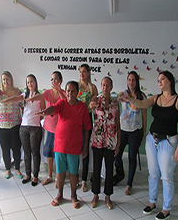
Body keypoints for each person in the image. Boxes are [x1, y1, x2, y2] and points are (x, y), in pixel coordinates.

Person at [118, 70, 178, 220]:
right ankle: (152, 202)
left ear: (170, 81)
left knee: (167, 176)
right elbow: (141, 104)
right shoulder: (156, 98)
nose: (160, 82)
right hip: (152, 140)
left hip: (168, 142)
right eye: (158, 80)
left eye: (163, 79)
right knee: (153, 173)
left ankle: (166, 208)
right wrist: (130, 99)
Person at [35, 81, 92, 209]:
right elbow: (53, 109)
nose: (70, 93)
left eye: (73, 91)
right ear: (65, 92)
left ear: (78, 93)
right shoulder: (62, 103)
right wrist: (44, 112)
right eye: (68, 91)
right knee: (60, 172)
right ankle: (60, 194)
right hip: (60, 144)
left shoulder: (82, 107)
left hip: (74, 146)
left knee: (73, 173)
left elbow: (87, 128)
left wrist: (85, 147)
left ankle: (73, 196)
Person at [1, 74, 45, 186]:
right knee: (26, 152)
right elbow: (16, 99)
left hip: (35, 127)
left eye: (32, 81)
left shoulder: (40, 95)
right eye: (28, 82)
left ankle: (35, 175)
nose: (30, 84)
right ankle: (28, 174)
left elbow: (44, 111)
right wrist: (7, 100)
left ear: (35, 82)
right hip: (24, 127)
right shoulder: (24, 95)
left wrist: (39, 115)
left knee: (35, 152)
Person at [25, 71, 66, 187]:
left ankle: (58, 176)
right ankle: (49, 176)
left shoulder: (63, 93)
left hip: (59, 128)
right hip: (48, 127)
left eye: (56, 79)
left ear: (61, 80)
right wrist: (32, 98)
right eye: (52, 79)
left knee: (58, 153)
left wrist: (59, 91)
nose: (54, 81)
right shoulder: (47, 92)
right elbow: (41, 96)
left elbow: (65, 103)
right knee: (49, 153)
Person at [113, 71, 147, 195]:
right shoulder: (124, 93)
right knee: (117, 155)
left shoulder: (141, 96)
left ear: (137, 81)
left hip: (135, 131)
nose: (131, 82)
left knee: (132, 157)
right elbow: (119, 98)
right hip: (123, 130)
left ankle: (129, 184)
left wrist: (143, 133)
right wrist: (123, 97)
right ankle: (120, 174)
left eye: (133, 80)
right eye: (129, 80)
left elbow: (144, 116)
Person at [89, 77, 120, 209]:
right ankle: (95, 195)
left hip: (111, 141)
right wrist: (91, 103)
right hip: (97, 140)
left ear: (111, 87)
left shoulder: (115, 104)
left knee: (109, 169)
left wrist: (118, 144)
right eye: (103, 85)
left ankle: (108, 196)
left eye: (107, 85)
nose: (105, 87)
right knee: (96, 169)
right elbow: (91, 105)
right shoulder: (96, 101)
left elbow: (118, 124)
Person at [77, 63, 98, 192]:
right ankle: (76, 176)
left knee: (85, 150)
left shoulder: (92, 88)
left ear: (89, 73)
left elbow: (96, 104)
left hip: (88, 121)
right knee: (75, 150)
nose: (82, 74)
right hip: (76, 120)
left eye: (84, 71)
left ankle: (84, 179)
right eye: (80, 71)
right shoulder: (76, 86)